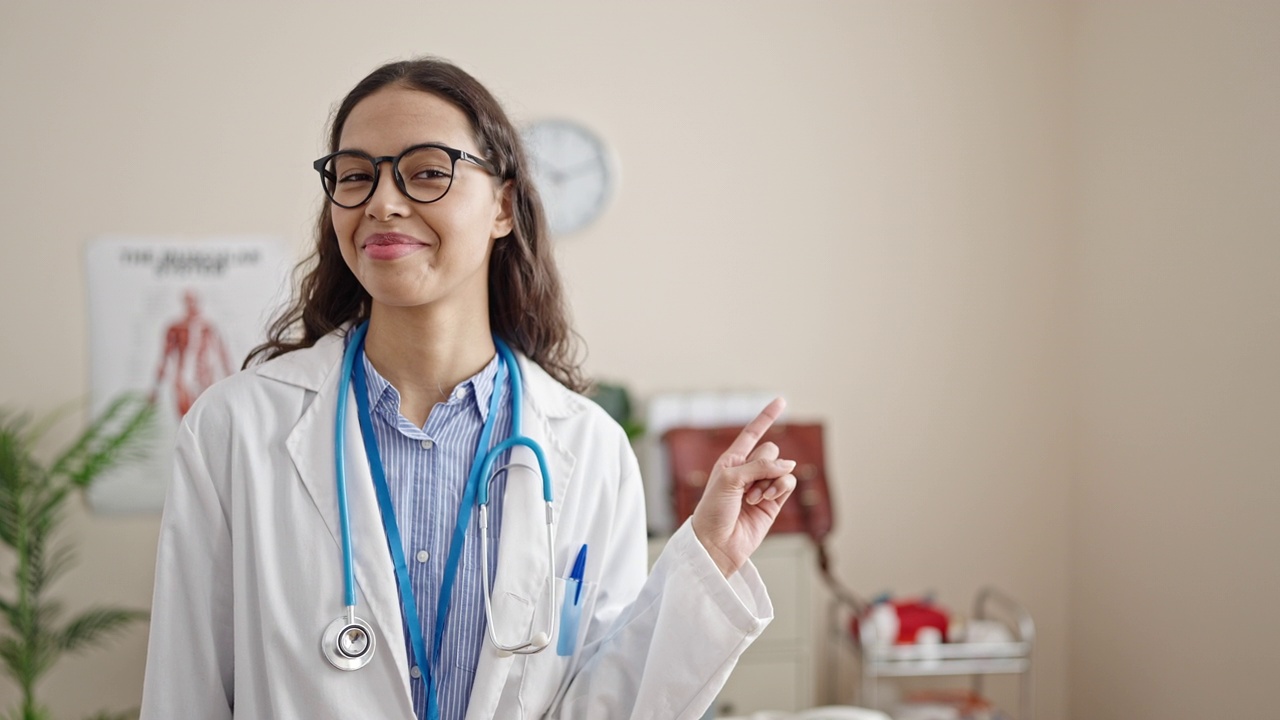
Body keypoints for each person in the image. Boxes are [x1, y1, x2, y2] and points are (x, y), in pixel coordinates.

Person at [140, 56, 798, 720]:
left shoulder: (589, 447)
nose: (382, 203)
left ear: (504, 207)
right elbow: (184, 690)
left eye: (427, 172)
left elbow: (607, 706)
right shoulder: (236, 428)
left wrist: (710, 555)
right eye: (355, 176)